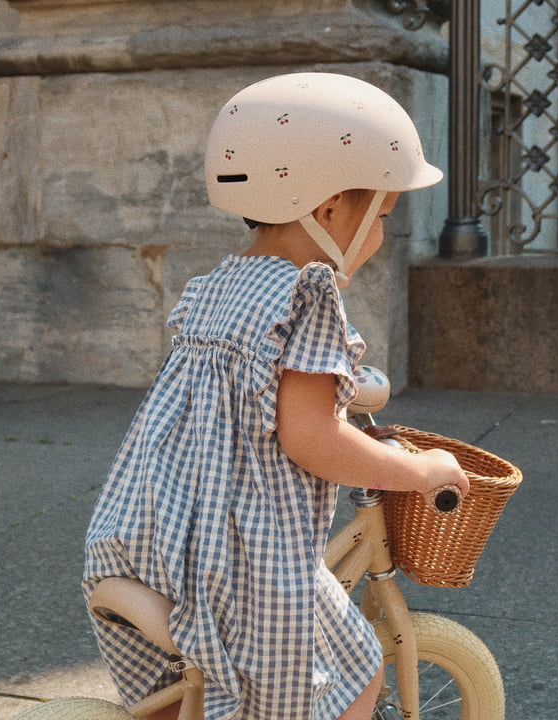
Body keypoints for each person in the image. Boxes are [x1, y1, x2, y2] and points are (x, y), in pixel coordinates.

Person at [84, 72, 469, 720]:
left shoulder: (218, 285)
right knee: (357, 671)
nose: (378, 235)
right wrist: (416, 471)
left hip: (139, 537)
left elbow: (250, 391)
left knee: (176, 703)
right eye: (378, 215)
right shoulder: (307, 295)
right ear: (327, 211)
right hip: (238, 565)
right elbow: (312, 436)